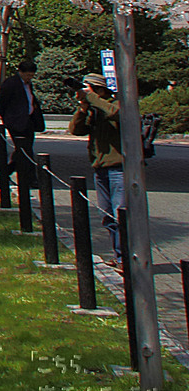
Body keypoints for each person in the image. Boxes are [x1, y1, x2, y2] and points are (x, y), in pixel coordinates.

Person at [69, 73, 123, 259]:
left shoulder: (115, 104)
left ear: (100, 90)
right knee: (107, 215)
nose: (85, 92)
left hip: (119, 169)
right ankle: (118, 256)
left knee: (120, 214)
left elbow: (115, 114)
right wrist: (83, 109)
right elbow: (75, 130)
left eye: (89, 88)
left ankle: (126, 258)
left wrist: (91, 98)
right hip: (100, 168)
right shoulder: (94, 108)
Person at [0, 59, 44, 192]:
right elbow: (2, 103)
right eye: (27, 75)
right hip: (16, 122)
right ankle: (30, 178)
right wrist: (8, 119)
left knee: (24, 149)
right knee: (25, 149)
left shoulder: (28, 85)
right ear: (20, 72)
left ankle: (6, 170)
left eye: (31, 75)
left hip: (28, 120)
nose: (29, 78)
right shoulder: (11, 83)